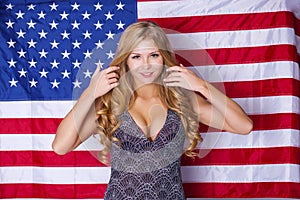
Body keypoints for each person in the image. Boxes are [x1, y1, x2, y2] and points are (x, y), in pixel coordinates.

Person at [52, 21, 253, 199]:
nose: (146, 65)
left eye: (154, 55)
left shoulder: (181, 99)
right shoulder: (110, 102)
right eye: (137, 56)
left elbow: (244, 126)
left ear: (164, 57)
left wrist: (201, 85)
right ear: (126, 60)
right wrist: (89, 93)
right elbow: (61, 146)